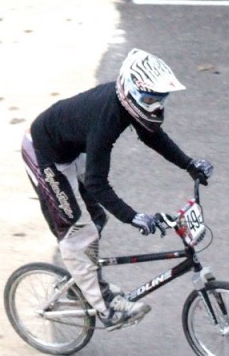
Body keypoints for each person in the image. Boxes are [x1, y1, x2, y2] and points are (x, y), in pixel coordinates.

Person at [21, 48, 213, 330]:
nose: (156, 106)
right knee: (79, 232)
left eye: (162, 99)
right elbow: (98, 183)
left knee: (98, 218)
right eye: (150, 99)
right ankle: (106, 309)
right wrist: (134, 217)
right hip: (45, 155)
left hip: (71, 150)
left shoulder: (126, 104)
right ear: (131, 92)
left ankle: (86, 280)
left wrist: (189, 165)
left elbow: (154, 137)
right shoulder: (106, 119)